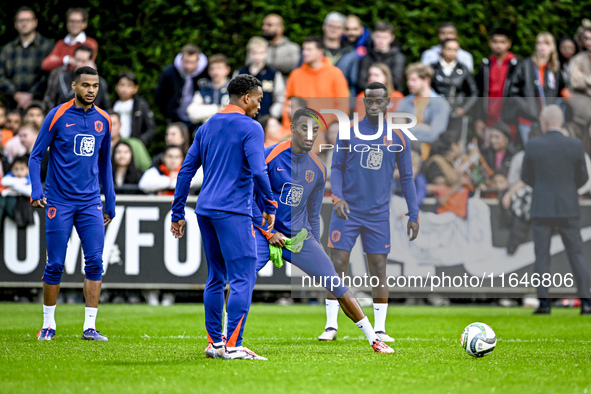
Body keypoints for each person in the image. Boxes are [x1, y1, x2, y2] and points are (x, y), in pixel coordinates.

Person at [254, 108, 395, 353]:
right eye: (304, 129)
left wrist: (315, 245)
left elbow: (313, 213)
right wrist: (267, 232)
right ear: (292, 129)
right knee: (241, 277)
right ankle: (225, 338)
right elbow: (249, 196)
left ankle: (374, 339)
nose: (310, 135)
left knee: (335, 281)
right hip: (263, 232)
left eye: (315, 130)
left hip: (298, 238)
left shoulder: (318, 169)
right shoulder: (269, 156)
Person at [170, 75, 277, 360]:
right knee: (243, 278)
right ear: (245, 98)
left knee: (216, 277)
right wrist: (270, 203)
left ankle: (215, 343)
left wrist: (177, 212)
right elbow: (258, 170)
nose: (259, 105)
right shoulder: (251, 127)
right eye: (257, 99)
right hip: (233, 211)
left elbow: (185, 171)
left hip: (205, 210)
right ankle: (233, 346)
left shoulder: (206, 127)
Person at [320, 82, 419, 342]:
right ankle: (331, 326)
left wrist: (414, 214)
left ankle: (381, 329)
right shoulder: (348, 132)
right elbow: (337, 168)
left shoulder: (398, 137)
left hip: (377, 214)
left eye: (379, 101)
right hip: (347, 211)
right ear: (364, 102)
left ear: (388, 103)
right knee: (337, 266)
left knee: (378, 268)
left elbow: (407, 178)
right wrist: (337, 197)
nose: (374, 106)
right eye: (369, 101)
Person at [28, 66, 116, 341]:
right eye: (86, 85)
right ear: (74, 86)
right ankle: (48, 325)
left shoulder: (104, 120)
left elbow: (105, 165)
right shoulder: (57, 115)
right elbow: (35, 156)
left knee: (94, 263)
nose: (91, 90)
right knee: (55, 263)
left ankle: (89, 327)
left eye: (96, 86)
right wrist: (36, 189)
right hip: (59, 200)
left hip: (90, 202)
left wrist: (109, 201)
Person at [521, 105, 591, 315]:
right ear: (561, 121)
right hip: (568, 206)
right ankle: (587, 302)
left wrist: (542, 188)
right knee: (577, 255)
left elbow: (526, 176)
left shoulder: (533, 145)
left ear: (544, 121)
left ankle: (544, 304)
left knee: (541, 257)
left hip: (541, 207)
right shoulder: (575, 145)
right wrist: (569, 190)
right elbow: (583, 177)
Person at [282, 37, 349, 131]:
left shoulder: (335, 74)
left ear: (320, 51)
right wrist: (287, 129)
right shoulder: (295, 75)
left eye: (309, 50)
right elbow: (287, 105)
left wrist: (333, 130)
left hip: (326, 133)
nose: (305, 53)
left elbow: (342, 105)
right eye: (304, 49)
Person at [509, 32, 565, 145]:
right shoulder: (525, 65)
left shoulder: (554, 68)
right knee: (531, 149)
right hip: (528, 119)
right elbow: (513, 91)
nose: (542, 46)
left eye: (546, 43)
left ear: (552, 47)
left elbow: (559, 92)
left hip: (548, 120)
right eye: (539, 43)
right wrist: (527, 107)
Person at [0, 7, 54, 110]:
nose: (24, 23)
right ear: (16, 24)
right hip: (11, 105)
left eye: (27, 20)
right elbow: (1, 76)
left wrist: (31, 95)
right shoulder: (7, 49)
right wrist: (16, 94)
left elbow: (50, 75)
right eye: (21, 20)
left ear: (35, 22)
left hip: (39, 105)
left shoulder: (47, 46)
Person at [474, 28, 519, 141]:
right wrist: (478, 118)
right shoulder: (485, 65)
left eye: (502, 42)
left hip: (509, 118)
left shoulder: (516, 66)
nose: (498, 45)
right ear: (490, 43)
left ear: (509, 44)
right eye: (495, 42)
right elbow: (478, 93)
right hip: (487, 117)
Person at [430, 38, 479, 141]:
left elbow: (474, 92)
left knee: (454, 143)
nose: (452, 52)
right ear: (442, 50)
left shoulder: (464, 69)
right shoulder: (432, 68)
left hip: (456, 112)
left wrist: (464, 108)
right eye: (449, 49)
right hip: (436, 112)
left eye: (455, 50)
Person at [397, 63, 450, 149]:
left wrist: (409, 130)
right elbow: (397, 132)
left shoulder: (440, 104)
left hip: (432, 152)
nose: (409, 83)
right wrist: (423, 127)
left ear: (426, 80)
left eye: (413, 80)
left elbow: (434, 134)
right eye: (408, 80)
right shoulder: (404, 102)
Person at [155, 44, 208, 128]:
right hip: (176, 117)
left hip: (200, 119)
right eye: (186, 62)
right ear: (181, 59)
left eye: (192, 62)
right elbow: (160, 95)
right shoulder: (170, 72)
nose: (188, 66)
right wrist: (168, 113)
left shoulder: (206, 72)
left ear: (198, 61)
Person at [43, 45, 111, 110]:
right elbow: (66, 99)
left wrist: (92, 77)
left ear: (91, 62)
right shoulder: (64, 78)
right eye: (77, 60)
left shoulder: (100, 82)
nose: (79, 64)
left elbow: (106, 106)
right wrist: (84, 79)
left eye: (83, 61)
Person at [236, 37, 284, 120]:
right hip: (243, 117)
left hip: (266, 118)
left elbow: (280, 98)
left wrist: (273, 115)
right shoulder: (240, 73)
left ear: (266, 53)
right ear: (248, 53)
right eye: (254, 53)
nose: (257, 56)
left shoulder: (273, 74)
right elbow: (234, 96)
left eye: (261, 53)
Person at [42, 8, 98, 72]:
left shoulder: (90, 43)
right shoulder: (61, 44)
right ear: (67, 23)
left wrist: (57, 60)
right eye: (71, 21)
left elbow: (85, 65)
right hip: (62, 80)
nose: (74, 24)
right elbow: (46, 64)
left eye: (77, 22)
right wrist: (66, 59)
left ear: (84, 24)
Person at [358, 21, 406, 93]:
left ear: (392, 38)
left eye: (385, 37)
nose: (381, 41)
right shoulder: (366, 57)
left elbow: (396, 82)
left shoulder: (398, 58)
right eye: (378, 37)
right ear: (372, 36)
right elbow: (361, 82)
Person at [113, 72, 156, 146]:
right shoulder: (112, 105)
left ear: (135, 88)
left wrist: (139, 142)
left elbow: (151, 128)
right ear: (116, 87)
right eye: (122, 85)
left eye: (129, 86)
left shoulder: (140, 105)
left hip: (133, 144)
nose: (124, 89)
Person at [322, 12, 359, 98]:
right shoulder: (315, 50)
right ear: (324, 27)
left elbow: (353, 83)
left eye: (338, 27)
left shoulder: (350, 53)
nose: (333, 29)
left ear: (343, 31)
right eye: (330, 26)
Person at [187, 54, 231, 125]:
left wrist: (204, 112)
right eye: (212, 69)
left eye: (219, 68)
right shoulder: (203, 90)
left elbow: (231, 116)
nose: (215, 72)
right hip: (205, 133)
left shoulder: (234, 90)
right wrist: (217, 108)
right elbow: (192, 114)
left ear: (227, 70)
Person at [261, 14, 301, 78]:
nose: (264, 28)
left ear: (280, 28)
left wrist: (263, 64)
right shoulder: (260, 47)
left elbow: (294, 68)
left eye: (269, 25)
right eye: (263, 25)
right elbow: (249, 65)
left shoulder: (292, 48)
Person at [569, 20, 591, 129]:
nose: (589, 42)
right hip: (582, 115)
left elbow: (580, 82)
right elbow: (574, 83)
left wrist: (584, 78)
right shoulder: (578, 59)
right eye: (586, 38)